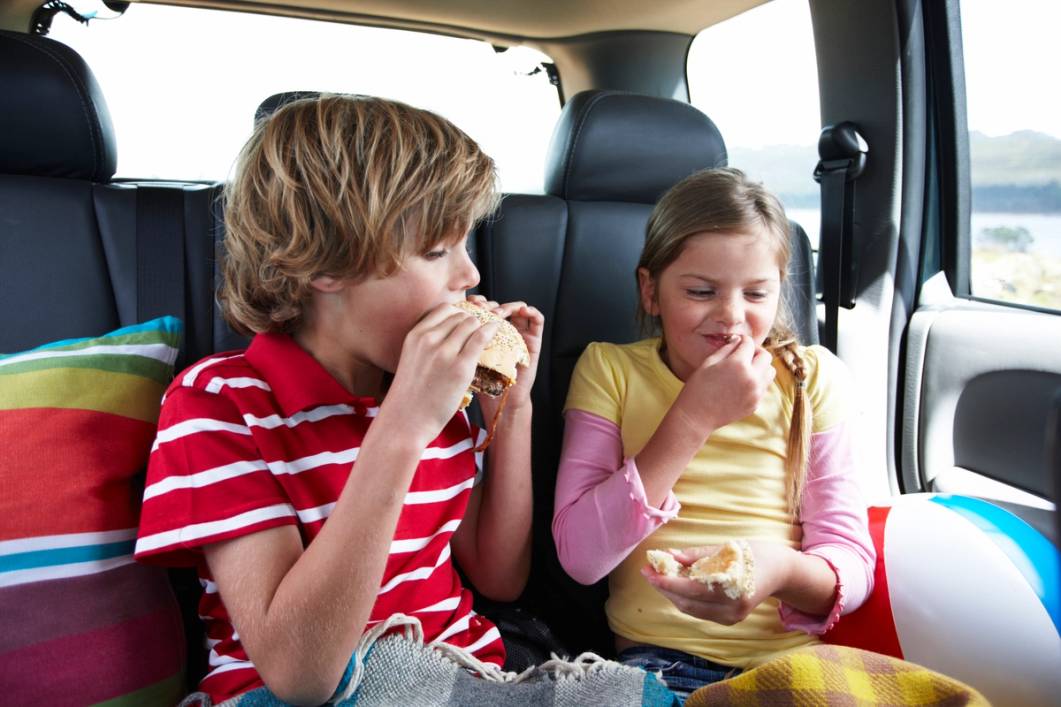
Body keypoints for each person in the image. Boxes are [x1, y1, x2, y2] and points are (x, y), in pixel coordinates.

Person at [134, 95, 543, 706]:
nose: (470, 278)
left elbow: (499, 575)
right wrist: (403, 427)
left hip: (462, 673)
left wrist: (512, 409)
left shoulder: (431, 389)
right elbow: (300, 675)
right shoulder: (218, 405)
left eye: (466, 246)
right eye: (436, 252)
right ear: (324, 264)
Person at [552, 167, 876, 702]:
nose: (730, 317)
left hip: (789, 661)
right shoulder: (609, 371)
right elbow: (581, 558)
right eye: (701, 291)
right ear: (649, 290)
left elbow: (851, 563)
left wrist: (779, 571)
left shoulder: (810, 379)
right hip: (657, 663)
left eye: (756, 294)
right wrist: (692, 418)